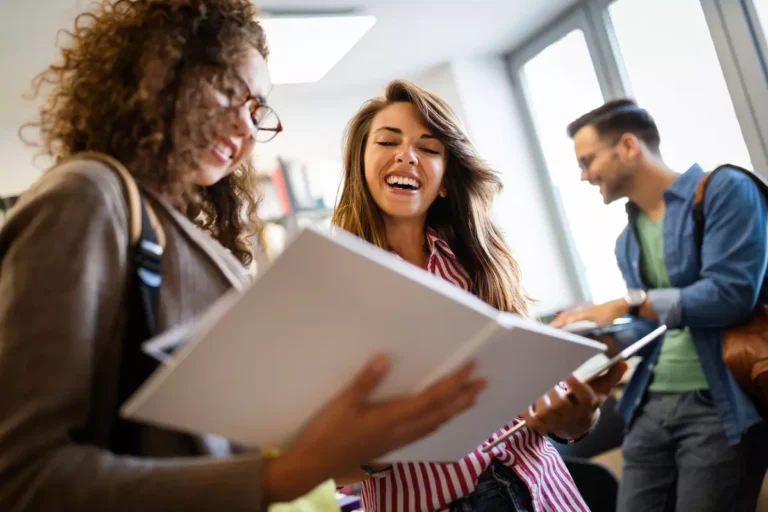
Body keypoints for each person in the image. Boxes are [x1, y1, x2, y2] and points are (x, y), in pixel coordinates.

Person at [0, 2, 489, 510]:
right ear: (159, 75)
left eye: (258, 108)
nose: (247, 126)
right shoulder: (87, 195)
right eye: (229, 90)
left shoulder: (180, 230)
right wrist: (286, 473)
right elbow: (23, 478)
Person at [332, 79, 628, 512]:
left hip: (542, 493)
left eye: (429, 148)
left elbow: (543, 398)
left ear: (446, 181)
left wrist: (577, 421)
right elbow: (331, 466)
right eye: (388, 141)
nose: (407, 155)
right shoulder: (334, 285)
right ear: (360, 164)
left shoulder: (481, 262)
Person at [552, 99, 768, 511]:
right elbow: (652, 331)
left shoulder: (725, 190)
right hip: (650, 405)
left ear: (628, 145)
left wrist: (624, 303)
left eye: (587, 160)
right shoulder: (627, 242)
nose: (583, 176)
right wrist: (594, 340)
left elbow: (731, 295)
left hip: (720, 406)